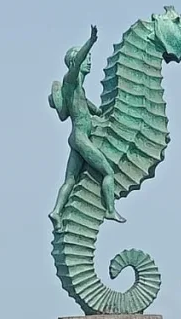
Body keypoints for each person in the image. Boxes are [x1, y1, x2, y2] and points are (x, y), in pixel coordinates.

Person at [47, 24, 123, 229]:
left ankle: (56, 211)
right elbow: (77, 61)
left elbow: (92, 109)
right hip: (80, 137)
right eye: (86, 60)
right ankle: (109, 210)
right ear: (75, 62)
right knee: (108, 172)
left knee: (70, 180)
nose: (89, 62)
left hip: (78, 137)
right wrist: (90, 42)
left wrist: (100, 112)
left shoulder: (77, 91)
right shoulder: (70, 81)